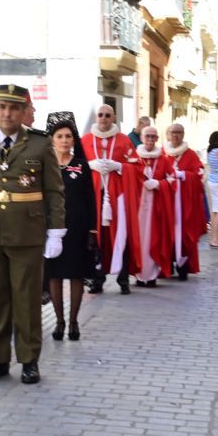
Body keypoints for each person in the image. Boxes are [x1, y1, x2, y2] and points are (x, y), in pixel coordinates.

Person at [0, 85, 66, 385]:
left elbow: (54, 191)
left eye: (14, 108)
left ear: (24, 111)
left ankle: (29, 360)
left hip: (27, 233)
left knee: (27, 300)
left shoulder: (40, 144)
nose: (8, 113)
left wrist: (56, 231)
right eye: (3, 106)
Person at [44, 112, 98, 341]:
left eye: (68, 136)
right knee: (54, 276)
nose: (64, 140)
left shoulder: (81, 166)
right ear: (52, 139)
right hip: (52, 230)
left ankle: (74, 321)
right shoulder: (44, 166)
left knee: (76, 276)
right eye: (60, 136)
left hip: (78, 229)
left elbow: (91, 199)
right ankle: (59, 321)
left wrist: (92, 230)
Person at [83, 103, 135, 295]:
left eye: (107, 115)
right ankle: (97, 279)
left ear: (113, 118)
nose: (104, 118)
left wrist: (119, 166)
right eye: (100, 115)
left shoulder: (124, 140)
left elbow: (136, 167)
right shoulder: (85, 140)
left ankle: (123, 280)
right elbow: (76, 166)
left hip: (117, 197)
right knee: (96, 239)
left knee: (121, 236)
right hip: (94, 196)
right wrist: (90, 165)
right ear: (96, 118)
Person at [129, 125, 175, 287]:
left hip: (157, 206)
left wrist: (158, 184)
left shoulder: (163, 159)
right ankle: (139, 275)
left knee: (154, 238)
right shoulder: (134, 158)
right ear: (141, 138)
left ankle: (152, 275)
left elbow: (172, 180)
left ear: (157, 139)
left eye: (153, 137)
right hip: (138, 206)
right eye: (147, 136)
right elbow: (127, 179)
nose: (149, 139)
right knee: (138, 239)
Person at [164, 123, 207, 279]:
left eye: (179, 132)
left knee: (185, 234)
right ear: (168, 134)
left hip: (185, 204)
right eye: (173, 132)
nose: (176, 135)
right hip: (166, 202)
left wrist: (184, 176)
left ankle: (183, 267)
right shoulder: (162, 152)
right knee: (166, 233)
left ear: (183, 135)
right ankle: (167, 265)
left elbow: (199, 174)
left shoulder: (191, 154)